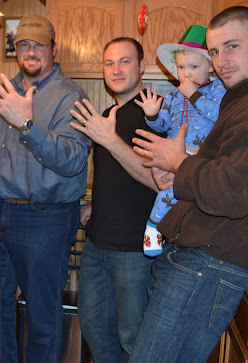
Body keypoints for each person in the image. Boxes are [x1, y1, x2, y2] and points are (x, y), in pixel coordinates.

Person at [128, 6, 248, 363]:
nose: (221, 61)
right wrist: (178, 177)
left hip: (207, 264)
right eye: (214, 51)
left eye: (232, 46)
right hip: (199, 261)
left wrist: (179, 163)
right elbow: (225, 172)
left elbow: (233, 191)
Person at [0, 15, 91, 362]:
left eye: (39, 45)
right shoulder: (4, 91)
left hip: (46, 216)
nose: (31, 51)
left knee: (41, 313)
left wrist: (26, 123)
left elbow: (73, 160)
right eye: (24, 45)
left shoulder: (71, 96)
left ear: (54, 49)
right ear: (15, 49)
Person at [68, 37, 160, 362]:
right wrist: (96, 202)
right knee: (95, 329)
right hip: (97, 244)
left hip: (135, 250)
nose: (116, 69)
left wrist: (109, 139)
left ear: (142, 66)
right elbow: (114, 174)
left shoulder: (155, 114)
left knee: (134, 339)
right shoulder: (106, 115)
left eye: (125, 61)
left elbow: (157, 180)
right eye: (109, 63)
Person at [136, 24, 226, 256]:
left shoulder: (219, 90)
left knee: (176, 193)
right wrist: (152, 115)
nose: (186, 74)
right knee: (171, 191)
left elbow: (218, 116)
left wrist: (193, 94)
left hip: (201, 156)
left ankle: (153, 227)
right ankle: (159, 229)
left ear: (210, 67)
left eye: (194, 67)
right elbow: (162, 125)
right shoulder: (173, 95)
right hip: (172, 155)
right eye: (181, 67)